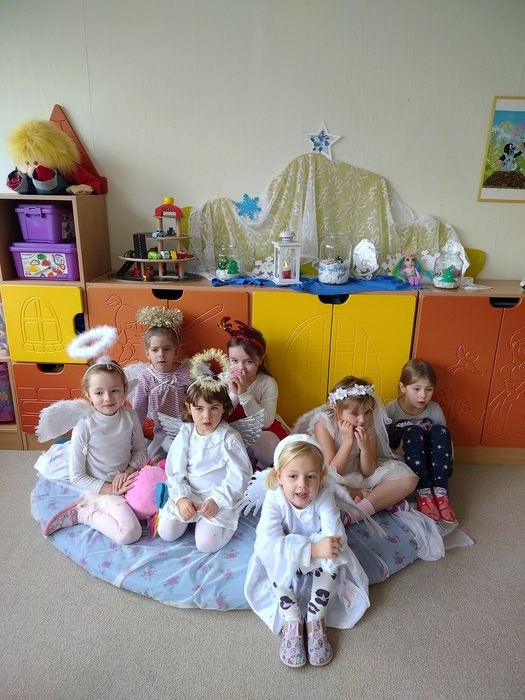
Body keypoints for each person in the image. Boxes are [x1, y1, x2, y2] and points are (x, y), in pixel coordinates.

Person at [244, 434, 370, 668]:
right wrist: (311, 548)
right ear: (279, 476)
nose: (302, 485)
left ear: (321, 476)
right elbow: (268, 543)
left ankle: (315, 616)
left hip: (317, 558)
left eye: (310, 476)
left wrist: (315, 549)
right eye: (293, 476)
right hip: (292, 556)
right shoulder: (274, 498)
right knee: (270, 556)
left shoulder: (324, 497)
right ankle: (292, 617)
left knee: (335, 552)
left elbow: (335, 538)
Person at [42, 359, 148, 545]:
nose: (108, 398)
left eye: (114, 390)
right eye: (99, 393)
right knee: (130, 533)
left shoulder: (130, 416)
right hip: (102, 490)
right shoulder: (84, 427)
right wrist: (111, 489)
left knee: (157, 502)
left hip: (127, 479)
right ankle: (82, 513)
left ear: (124, 389)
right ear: (88, 394)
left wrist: (128, 472)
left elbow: (140, 449)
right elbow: (77, 476)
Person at [157, 350, 253, 553]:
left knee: (206, 545)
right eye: (199, 409)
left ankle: (220, 524)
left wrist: (217, 500)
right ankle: (189, 516)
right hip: (190, 493)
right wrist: (182, 498)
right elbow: (175, 469)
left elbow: (240, 475)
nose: (206, 416)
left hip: (217, 497)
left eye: (214, 408)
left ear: (224, 408)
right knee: (166, 533)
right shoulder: (186, 433)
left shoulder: (228, 438)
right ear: (189, 408)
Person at [293, 375, 418, 520]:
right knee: (319, 489)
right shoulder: (323, 424)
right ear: (336, 408)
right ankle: (373, 499)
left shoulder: (368, 425)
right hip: (332, 475)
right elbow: (334, 471)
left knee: (409, 479)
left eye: (367, 412)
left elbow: (369, 472)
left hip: (359, 474)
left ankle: (357, 512)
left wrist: (364, 448)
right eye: (354, 413)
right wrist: (348, 441)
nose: (362, 419)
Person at [385, 359, 455, 523]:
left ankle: (440, 491)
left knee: (441, 430)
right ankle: (423, 492)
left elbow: (445, 440)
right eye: (416, 389)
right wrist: (395, 454)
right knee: (414, 431)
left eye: (429, 389)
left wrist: (448, 461)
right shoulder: (391, 409)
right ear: (403, 387)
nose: (423, 395)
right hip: (405, 460)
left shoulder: (434, 409)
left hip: (431, 460)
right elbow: (382, 441)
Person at [219, 316, 288, 467]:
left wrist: (244, 394)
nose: (241, 368)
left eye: (248, 361)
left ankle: (259, 466)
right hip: (230, 432)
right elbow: (218, 417)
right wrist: (234, 394)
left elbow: (266, 422)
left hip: (260, 431)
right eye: (234, 361)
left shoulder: (267, 383)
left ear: (261, 359)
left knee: (270, 447)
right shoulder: (223, 380)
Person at [132, 306, 191, 460]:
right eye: (155, 350)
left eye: (167, 349)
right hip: (161, 433)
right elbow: (139, 409)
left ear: (176, 350)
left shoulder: (187, 372)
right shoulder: (146, 377)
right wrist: (134, 437)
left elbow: (199, 400)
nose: (161, 355)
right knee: (149, 462)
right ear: (147, 353)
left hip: (186, 430)